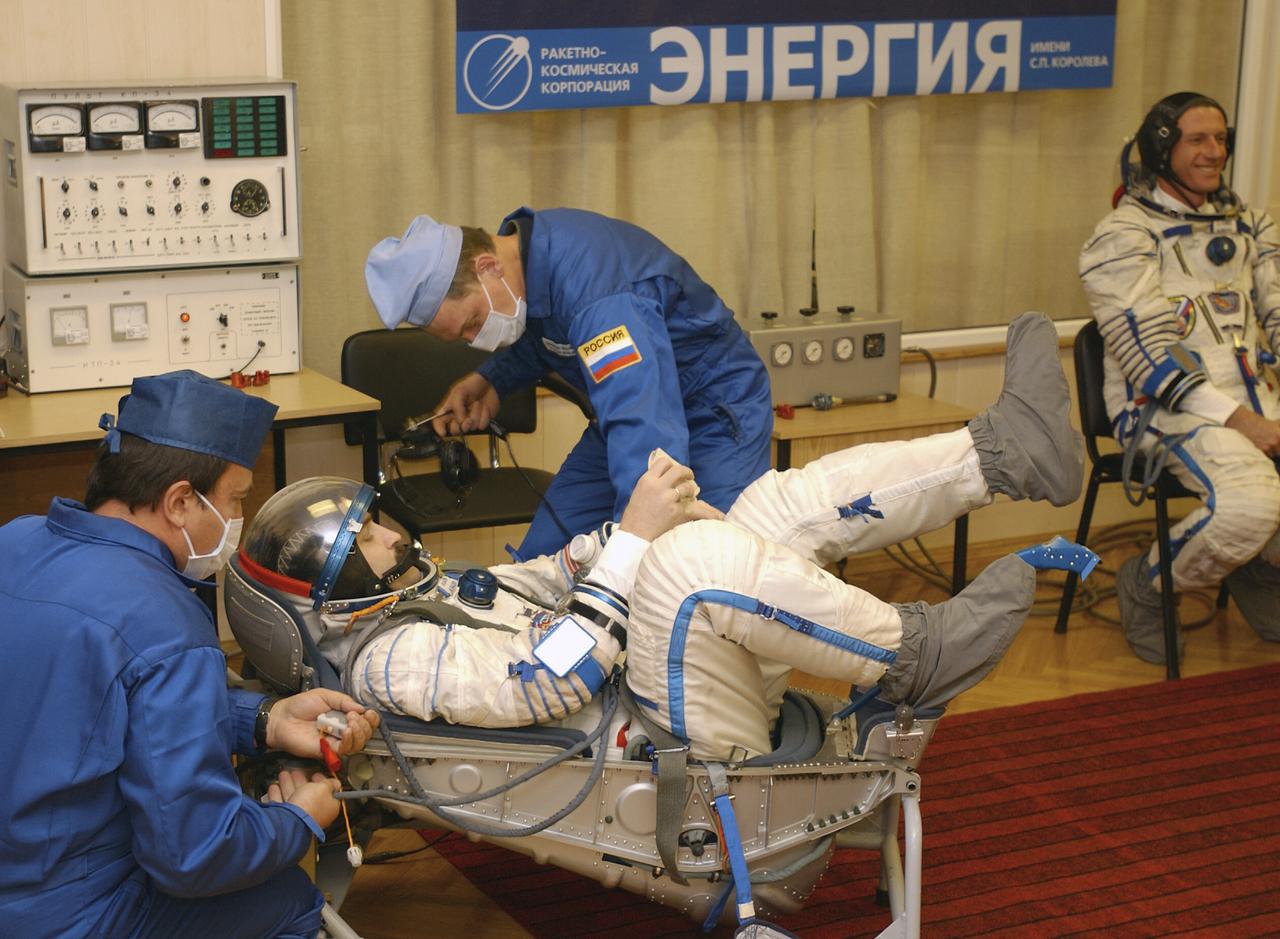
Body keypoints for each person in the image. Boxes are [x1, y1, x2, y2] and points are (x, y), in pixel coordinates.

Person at [234, 313, 1086, 761]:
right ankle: (911, 653)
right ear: (336, 590)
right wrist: (643, 545)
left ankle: (1004, 451)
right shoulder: (386, 660)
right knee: (688, 564)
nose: (389, 531)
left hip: (666, 687)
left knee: (769, 504)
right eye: (370, 537)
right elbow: (544, 681)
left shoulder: (419, 595)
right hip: (637, 737)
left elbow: (529, 583)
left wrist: (621, 529)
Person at [0, 371, 381, 939]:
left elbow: (91, 700)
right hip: (63, 913)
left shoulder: (16, 541)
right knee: (286, 899)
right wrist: (299, 820)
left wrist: (264, 721)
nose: (234, 520)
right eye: (234, 500)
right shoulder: (165, 622)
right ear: (181, 501)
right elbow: (194, 857)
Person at [362, 207, 774, 560]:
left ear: (487, 266)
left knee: (701, 570)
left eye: (472, 322)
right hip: (628, 412)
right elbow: (550, 338)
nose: (475, 340)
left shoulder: (598, 295)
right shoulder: (527, 262)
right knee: (543, 563)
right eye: (463, 337)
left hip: (714, 413)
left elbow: (645, 428)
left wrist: (632, 548)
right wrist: (491, 378)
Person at [1079, 91, 1280, 664]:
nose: (1214, 151)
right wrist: (1245, 422)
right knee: (1250, 503)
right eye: (1198, 139)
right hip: (1165, 409)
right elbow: (1150, 360)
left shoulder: (1252, 226)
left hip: (1256, 403)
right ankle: (1147, 584)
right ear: (1162, 149)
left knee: (1257, 509)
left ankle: (1254, 566)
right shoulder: (1122, 236)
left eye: (1221, 139)